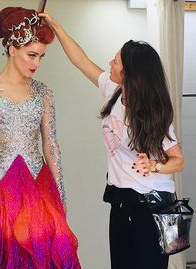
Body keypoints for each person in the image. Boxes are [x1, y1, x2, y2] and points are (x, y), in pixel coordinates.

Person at [40, 13, 185, 269]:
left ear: (128, 71)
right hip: (120, 202)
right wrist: (57, 27)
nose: (109, 62)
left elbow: (178, 161)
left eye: (115, 60)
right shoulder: (116, 91)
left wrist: (154, 166)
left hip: (149, 209)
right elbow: (81, 61)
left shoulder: (151, 112)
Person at [0, 7, 81, 269]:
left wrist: (60, 196)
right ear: (12, 48)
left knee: (42, 248)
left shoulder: (43, 92)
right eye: (31, 55)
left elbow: (51, 145)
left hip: (37, 183)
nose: (36, 63)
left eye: (41, 57)